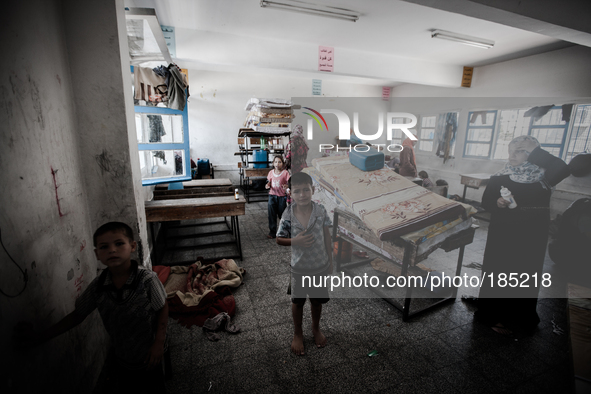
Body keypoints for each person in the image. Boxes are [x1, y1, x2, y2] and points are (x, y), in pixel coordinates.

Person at [15, 222, 168, 393]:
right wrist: (40, 337)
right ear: (97, 254)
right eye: (104, 246)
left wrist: (159, 343)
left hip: (150, 353)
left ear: (132, 246)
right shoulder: (98, 287)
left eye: (119, 243)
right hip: (123, 358)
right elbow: (77, 315)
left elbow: (162, 307)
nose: (112, 250)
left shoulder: (147, 279)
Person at [474, 135, 558, 336]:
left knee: (526, 272)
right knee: (499, 270)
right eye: (511, 150)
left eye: (520, 151)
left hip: (531, 236)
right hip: (504, 235)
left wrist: (535, 150)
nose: (512, 155)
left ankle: (521, 315)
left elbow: (564, 167)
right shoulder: (500, 177)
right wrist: (498, 203)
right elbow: (486, 202)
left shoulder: (544, 177)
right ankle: (492, 314)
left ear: (533, 154)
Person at [276, 172, 333, 355]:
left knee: (317, 301)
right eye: (298, 191)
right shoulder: (288, 213)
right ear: (290, 193)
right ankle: (298, 332)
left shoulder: (321, 211)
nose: (302, 195)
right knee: (298, 301)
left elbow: (326, 236)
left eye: (306, 190)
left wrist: (330, 260)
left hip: (319, 266)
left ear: (313, 190)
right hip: (299, 268)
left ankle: (315, 328)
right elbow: (279, 239)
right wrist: (295, 241)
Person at [265, 155, 290, 239]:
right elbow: (268, 181)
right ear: (273, 163)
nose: (277, 164)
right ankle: (272, 232)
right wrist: (268, 185)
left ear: (283, 164)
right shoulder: (271, 172)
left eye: (279, 162)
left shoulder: (285, 173)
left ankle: (284, 232)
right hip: (272, 196)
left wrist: (287, 186)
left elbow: (289, 183)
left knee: (282, 215)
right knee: (271, 215)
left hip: (282, 197)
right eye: (275, 162)